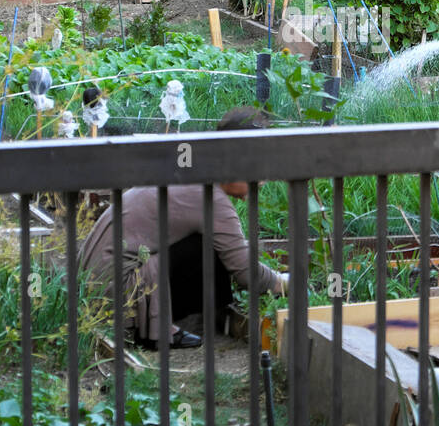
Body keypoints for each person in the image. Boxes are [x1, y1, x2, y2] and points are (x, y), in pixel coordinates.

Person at [79, 106, 289, 350]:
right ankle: (151, 330)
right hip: (115, 294)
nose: (261, 181)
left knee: (210, 243)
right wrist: (282, 283)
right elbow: (244, 271)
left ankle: (155, 320)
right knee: (209, 249)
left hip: (93, 287)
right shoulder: (210, 199)